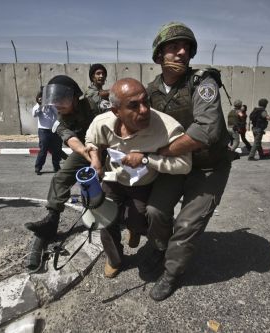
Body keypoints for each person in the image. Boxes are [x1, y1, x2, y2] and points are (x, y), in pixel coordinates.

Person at [144, 22, 233, 301]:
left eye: (187, 48)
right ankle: (160, 249)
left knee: (186, 225)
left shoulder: (202, 83)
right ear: (159, 56)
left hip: (208, 167)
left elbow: (207, 130)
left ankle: (172, 273)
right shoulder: (150, 91)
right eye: (173, 47)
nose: (182, 52)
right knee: (155, 212)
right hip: (176, 165)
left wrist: (163, 151)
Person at [85, 78, 192, 278]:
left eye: (146, 102)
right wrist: (95, 159)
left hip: (143, 184)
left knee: (138, 220)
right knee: (104, 217)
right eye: (133, 106)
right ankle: (115, 258)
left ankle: (135, 229)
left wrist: (146, 160)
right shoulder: (103, 123)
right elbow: (91, 139)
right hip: (113, 179)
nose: (144, 110)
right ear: (116, 111)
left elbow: (185, 164)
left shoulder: (167, 128)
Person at [24, 75, 101, 240]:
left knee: (112, 181)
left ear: (74, 97)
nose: (58, 104)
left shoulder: (91, 105)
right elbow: (71, 140)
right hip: (84, 150)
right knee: (60, 178)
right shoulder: (58, 119)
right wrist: (89, 155)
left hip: (106, 146)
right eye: (55, 100)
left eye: (62, 99)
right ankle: (52, 221)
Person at [32, 88, 66, 175]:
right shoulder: (37, 105)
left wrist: (51, 105)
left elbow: (58, 113)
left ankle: (56, 167)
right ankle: (38, 168)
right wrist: (40, 105)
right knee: (43, 150)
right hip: (43, 131)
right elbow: (34, 115)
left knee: (57, 149)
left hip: (54, 129)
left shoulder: (53, 104)